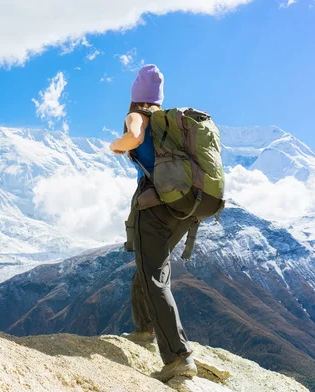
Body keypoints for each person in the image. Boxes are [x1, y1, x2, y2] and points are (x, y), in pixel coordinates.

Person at [109, 64, 198, 381]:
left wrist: (116, 145)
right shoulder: (173, 123)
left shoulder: (138, 116)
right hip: (183, 212)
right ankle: (145, 334)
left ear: (136, 96)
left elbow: (133, 137)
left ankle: (178, 356)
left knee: (154, 279)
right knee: (147, 273)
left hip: (154, 207)